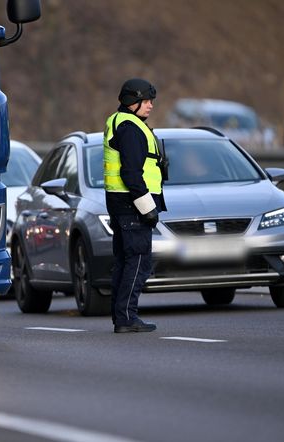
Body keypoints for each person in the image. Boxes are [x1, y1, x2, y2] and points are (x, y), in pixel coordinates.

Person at [103, 78, 166, 333]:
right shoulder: (130, 128)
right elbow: (132, 173)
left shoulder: (119, 122)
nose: (150, 106)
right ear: (133, 102)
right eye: (146, 101)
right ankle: (127, 316)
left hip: (119, 202)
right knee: (138, 260)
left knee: (125, 260)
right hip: (132, 204)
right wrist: (147, 208)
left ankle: (121, 316)